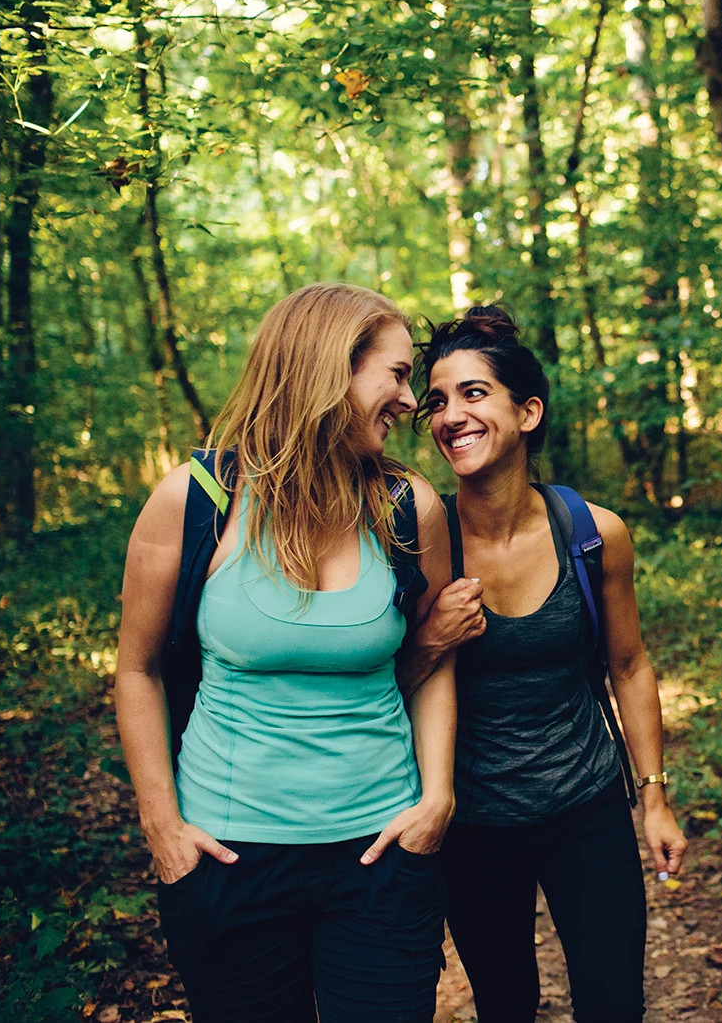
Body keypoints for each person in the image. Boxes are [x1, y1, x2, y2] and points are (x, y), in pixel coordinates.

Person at [114, 282, 479, 1022]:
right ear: (330, 367)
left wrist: (436, 796)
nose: (412, 402)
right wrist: (163, 828)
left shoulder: (409, 507)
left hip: (382, 853)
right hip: (227, 856)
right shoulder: (195, 498)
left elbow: (433, 655)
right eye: (400, 374)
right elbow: (137, 667)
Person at [415, 305, 688, 1022]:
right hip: (473, 824)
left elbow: (629, 665)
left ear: (528, 411)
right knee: (506, 1006)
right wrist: (432, 636)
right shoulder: (421, 540)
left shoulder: (594, 534)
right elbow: (389, 681)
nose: (450, 416)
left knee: (611, 1003)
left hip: (585, 807)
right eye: (437, 401)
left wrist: (653, 795)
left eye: (474, 393)